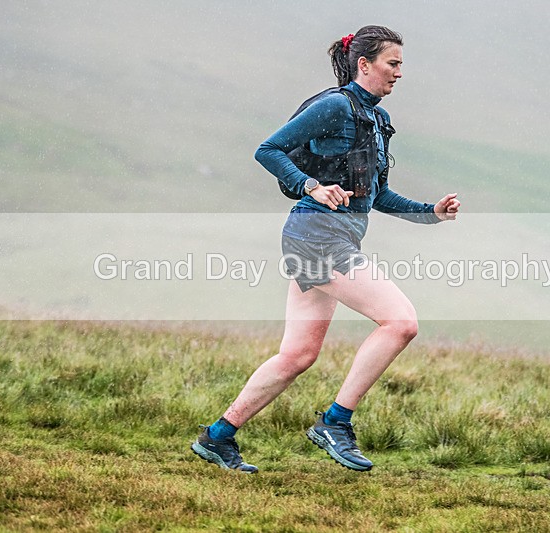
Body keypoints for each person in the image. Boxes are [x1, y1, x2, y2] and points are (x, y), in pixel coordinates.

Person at [191, 25, 460, 473]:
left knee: (298, 356)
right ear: (364, 64)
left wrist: (431, 211)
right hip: (316, 234)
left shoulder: (376, 121)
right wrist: (310, 185)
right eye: (393, 64)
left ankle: (218, 437)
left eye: (400, 65)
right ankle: (336, 422)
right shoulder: (335, 105)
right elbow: (268, 149)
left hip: (330, 237)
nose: (399, 73)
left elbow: (378, 196)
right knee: (401, 322)